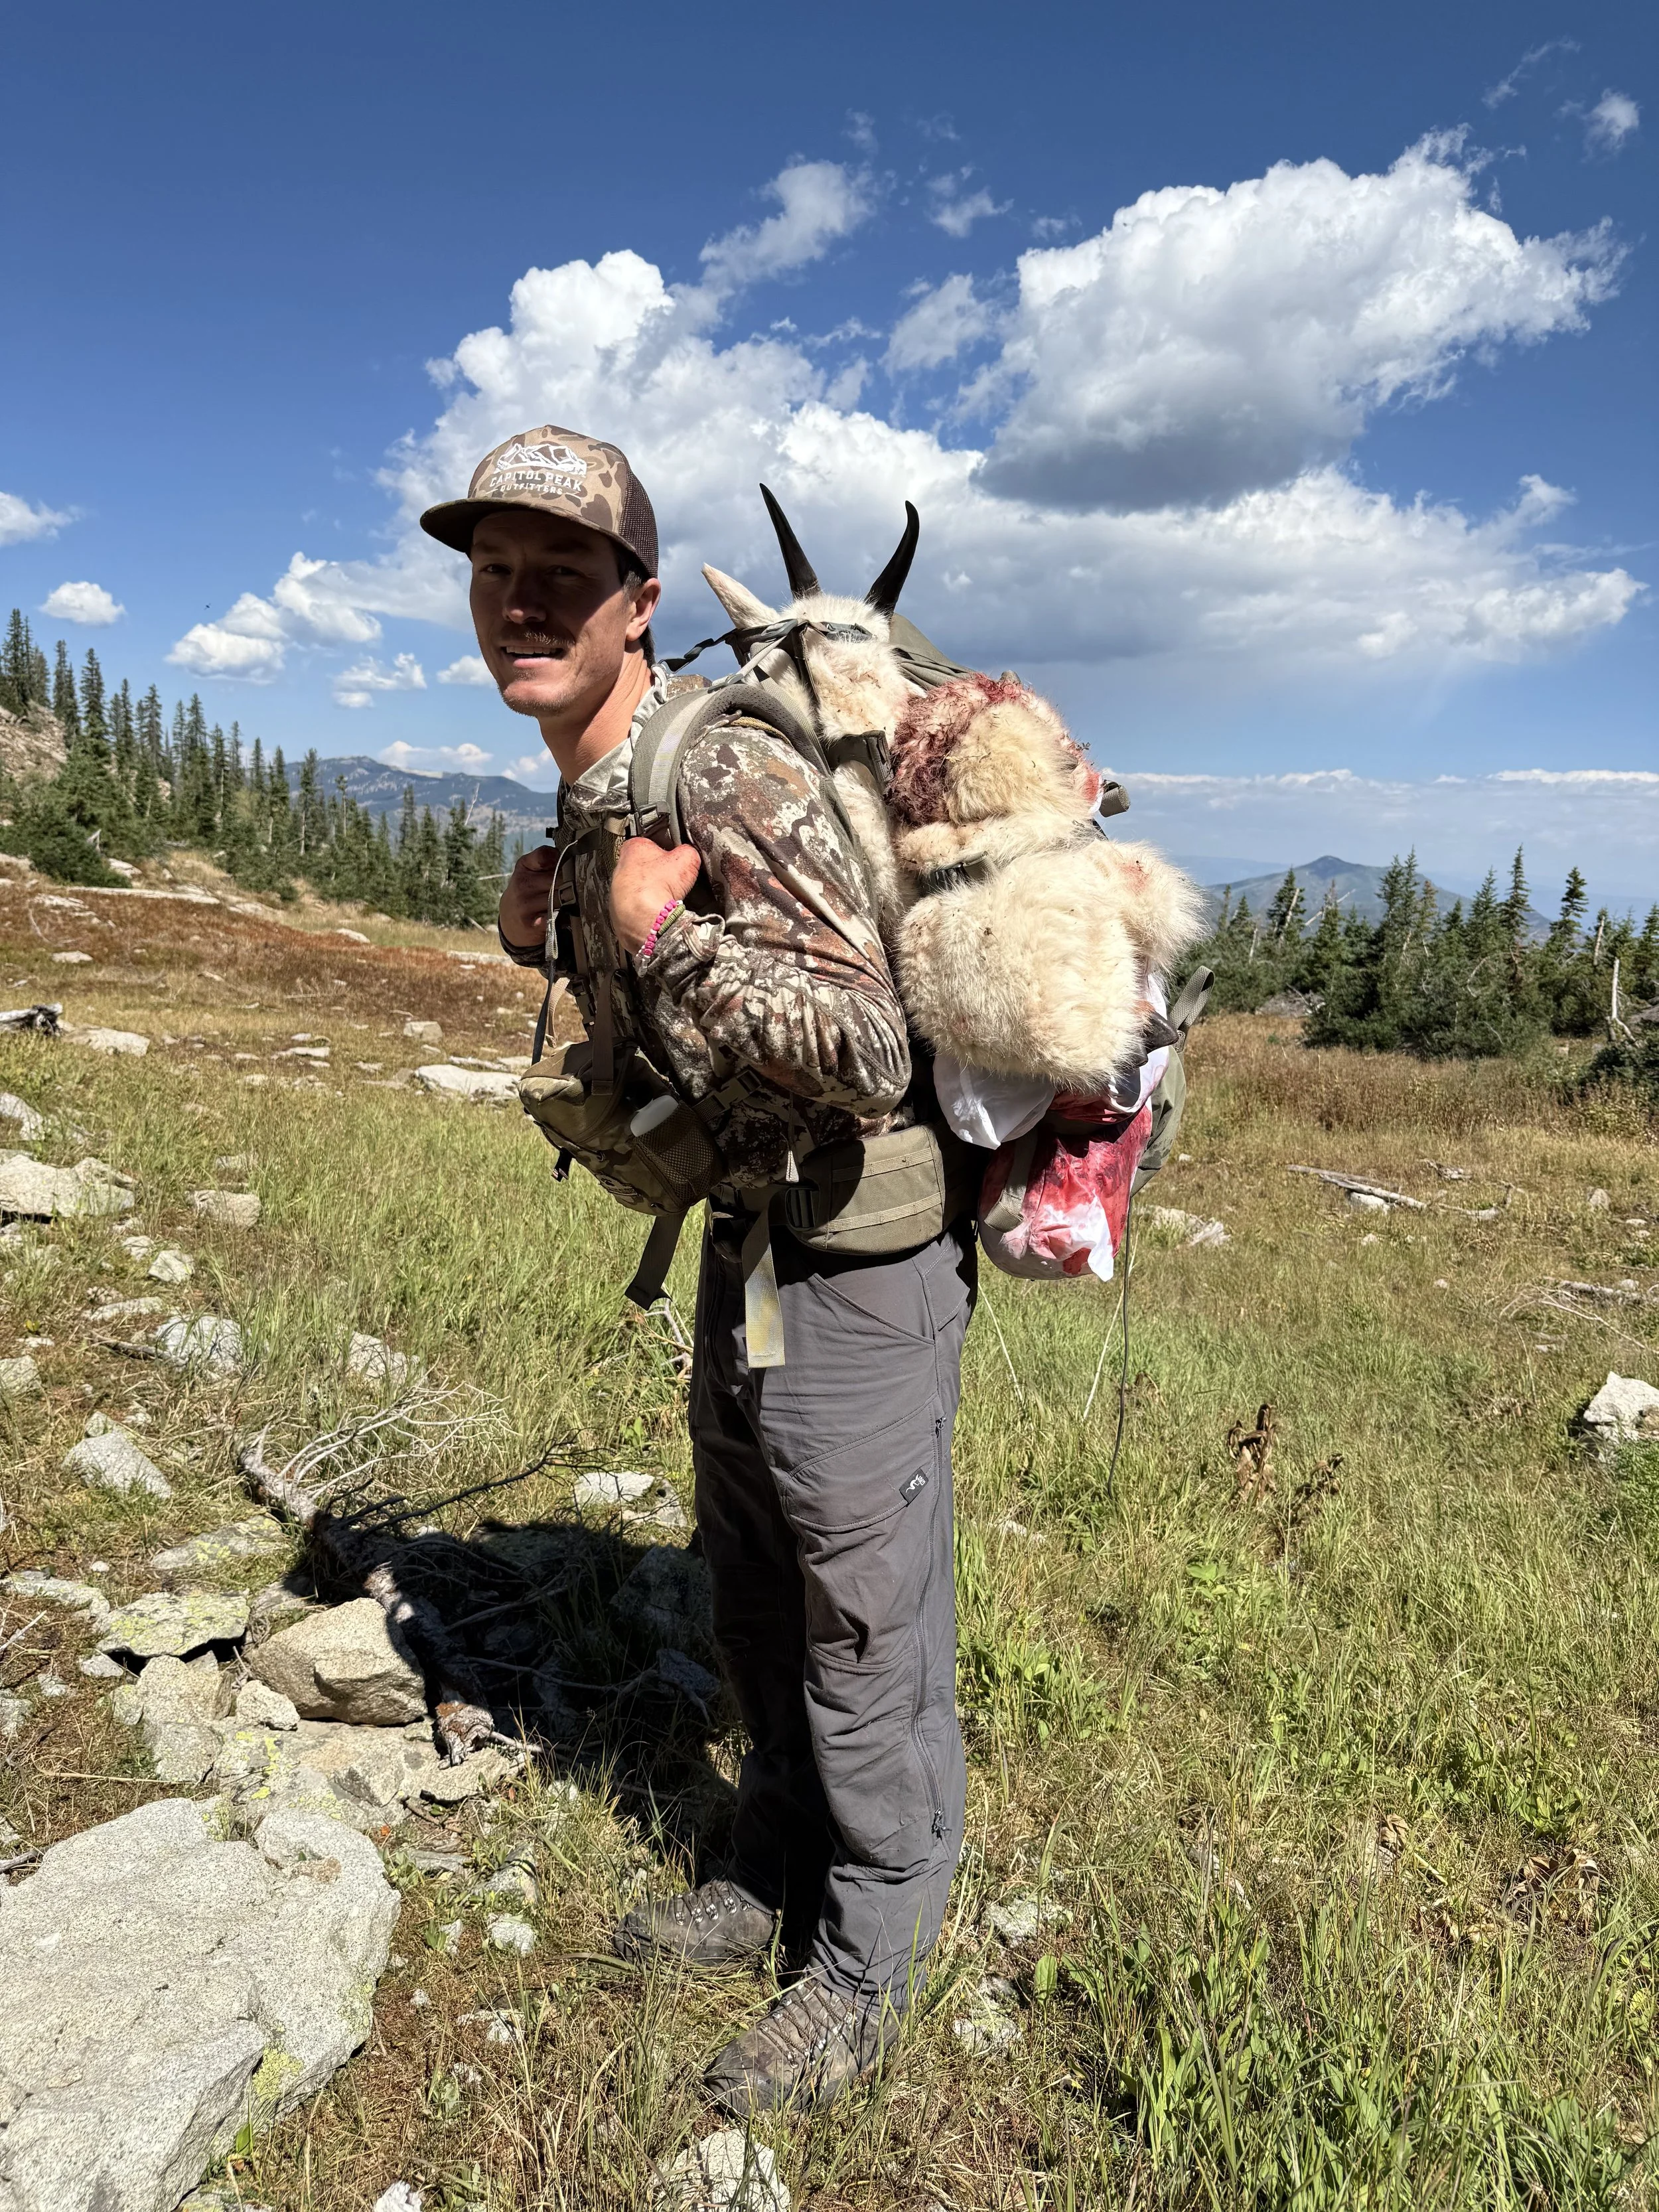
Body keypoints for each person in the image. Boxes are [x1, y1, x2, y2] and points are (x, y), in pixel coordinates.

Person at [420, 427, 975, 2112]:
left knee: (860, 1611)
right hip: (752, 1237)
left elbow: (868, 1045)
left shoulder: (717, 768)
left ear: (637, 601)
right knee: (748, 1584)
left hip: (857, 1252)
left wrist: (667, 933)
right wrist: (563, 928)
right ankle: (768, 1864)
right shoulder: (597, 779)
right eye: (493, 569)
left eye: (560, 576)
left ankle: (871, 1956)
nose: (520, 601)